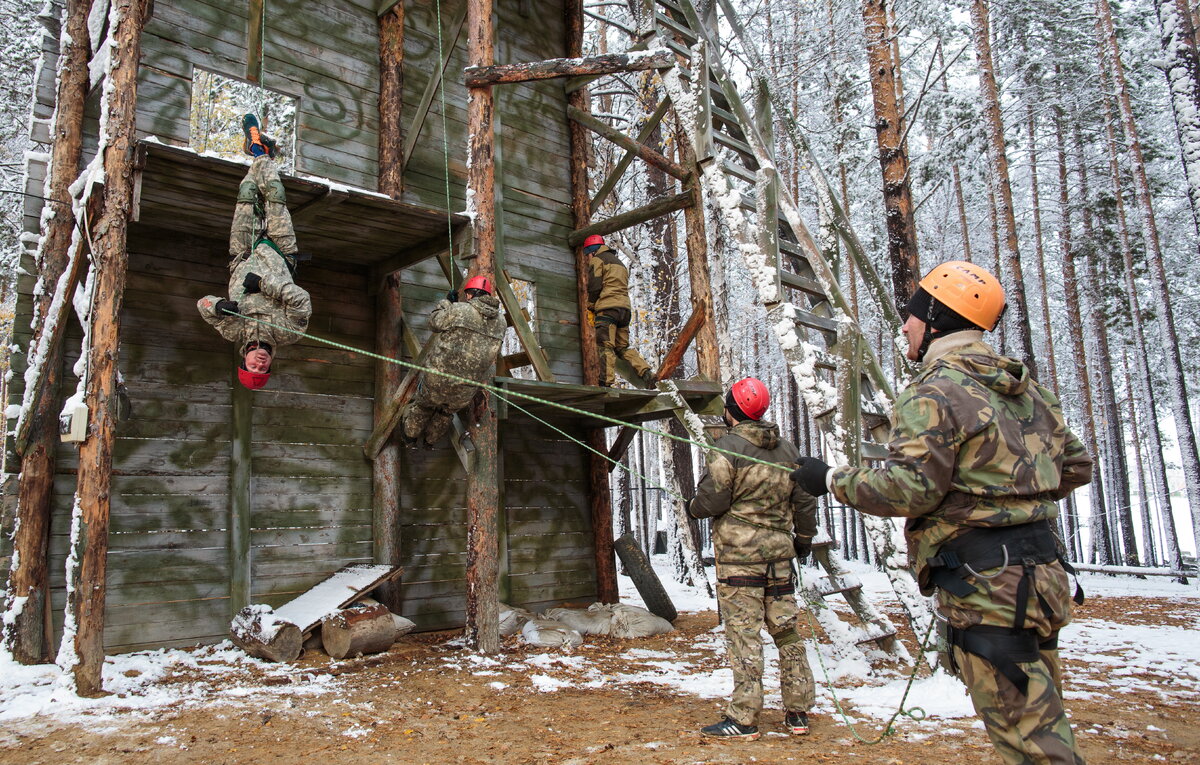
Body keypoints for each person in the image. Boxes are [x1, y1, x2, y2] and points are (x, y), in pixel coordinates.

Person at [790, 261, 1091, 765]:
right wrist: (1010, 497)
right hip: (1042, 578)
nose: (904, 326)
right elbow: (1076, 465)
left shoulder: (935, 391)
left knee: (1034, 745)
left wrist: (830, 480)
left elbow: (910, 488)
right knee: (1042, 723)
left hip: (988, 588)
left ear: (936, 319)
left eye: (910, 316)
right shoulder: (1027, 390)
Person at [686, 377, 819, 740]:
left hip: (739, 560)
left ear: (730, 413)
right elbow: (805, 499)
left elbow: (713, 500)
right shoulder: (788, 451)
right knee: (786, 631)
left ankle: (744, 718)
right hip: (779, 558)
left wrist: (693, 508)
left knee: (744, 635)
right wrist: (803, 539)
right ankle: (798, 711)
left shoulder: (726, 448)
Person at [197, 114, 311, 391]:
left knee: (247, 193)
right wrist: (263, 284)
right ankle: (260, 152)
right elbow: (300, 300)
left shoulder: (232, 330)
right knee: (274, 192)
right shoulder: (288, 333)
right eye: (263, 367)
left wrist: (218, 305)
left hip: (242, 253)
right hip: (281, 250)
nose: (259, 363)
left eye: (253, 367)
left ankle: (260, 151)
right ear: (270, 363)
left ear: (244, 361)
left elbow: (203, 305)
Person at [400, 274, 506, 447]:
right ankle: (429, 442)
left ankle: (409, 438)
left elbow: (434, 322)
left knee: (423, 405)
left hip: (438, 378)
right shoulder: (501, 322)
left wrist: (447, 303)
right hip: (466, 387)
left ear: (471, 294)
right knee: (446, 413)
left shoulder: (459, 310)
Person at [583, 235, 655, 388]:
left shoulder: (598, 260)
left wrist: (590, 306)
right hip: (624, 310)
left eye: (587, 255)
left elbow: (595, 286)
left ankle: (605, 383)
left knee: (605, 345)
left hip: (608, 309)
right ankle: (646, 373)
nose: (587, 258)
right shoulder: (619, 263)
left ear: (592, 251)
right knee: (622, 347)